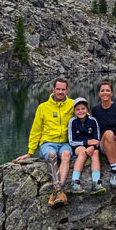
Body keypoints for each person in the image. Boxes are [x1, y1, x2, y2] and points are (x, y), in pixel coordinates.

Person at [14, 77, 74, 209]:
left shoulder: (73, 105)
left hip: (65, 143)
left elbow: (85, 118)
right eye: (58, 89)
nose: (60, 92)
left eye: (63, 89)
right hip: (48, 143)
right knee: (52, 155)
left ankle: (56, 192)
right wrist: (30, 152)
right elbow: (36, 129)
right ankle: (59, 191)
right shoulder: (43, 107)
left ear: (67, 91)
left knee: (65, 155)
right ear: (53, 89)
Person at [68, 97, 106, 195]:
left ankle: (96, 182)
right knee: (83, 153)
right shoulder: (72, 121)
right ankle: (75, 182)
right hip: (78, 146)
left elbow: (97, 139)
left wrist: (93, 147)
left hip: (92, 147)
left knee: (96, 152)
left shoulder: (93, 120)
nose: (81, 111)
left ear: (87, 110)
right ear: (74, 111)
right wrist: (87, 142)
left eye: (83, 108)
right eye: (78, 109)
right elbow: (72, 141)